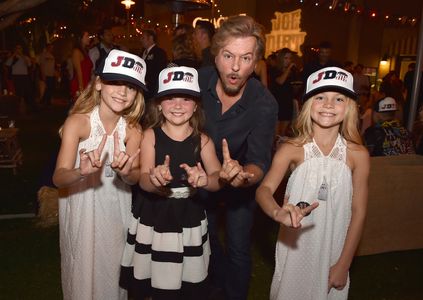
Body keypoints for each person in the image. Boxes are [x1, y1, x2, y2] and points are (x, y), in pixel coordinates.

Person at [256, 66, 370, 300]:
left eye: (338, 98)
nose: (329, 104)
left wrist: (344, 263)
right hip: (295, 246)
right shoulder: (291, 149)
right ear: (308, 105)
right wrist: (277, 212)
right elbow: (264, 190)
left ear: (349, 107)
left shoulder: (358, 155)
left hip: (335, 248)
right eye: (320, 97)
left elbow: (359, 211)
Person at [120, 66, 223, 299]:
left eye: (186, 99)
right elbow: (144, 180)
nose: (178, 105)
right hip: (154, 216)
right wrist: (155, 181)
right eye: (170, 98)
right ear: (158, 104)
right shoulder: (150, 135)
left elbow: (218, 179)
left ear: (196, 105)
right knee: (150, 280)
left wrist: (207, 180)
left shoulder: (203, 140)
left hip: (190, 217)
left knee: (189, 282)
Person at [52, 49, 147, 300]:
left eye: (130, 87)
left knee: (114, 270)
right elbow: (58, 177)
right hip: (82, 210)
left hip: (116, 212)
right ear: (98, 83)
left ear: (136, 94)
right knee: (82, 270)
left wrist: (127, 173)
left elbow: (134, 177)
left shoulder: (133, 131)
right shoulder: (78, 123)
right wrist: (80, 172)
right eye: (115, 82)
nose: (122, 92)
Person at [198, 15, 278, 300]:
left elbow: (260, 161)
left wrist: (245, 175)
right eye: (228, 55)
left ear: (256, 63)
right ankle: (216, 284)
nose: (235, 67)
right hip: (202, 176)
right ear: (215, 55)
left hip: (241, 184)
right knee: (201, 237)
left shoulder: (264, 104)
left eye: (245, 58)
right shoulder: (197, 82)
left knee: (238, 246)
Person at [268, 48, 299, 138]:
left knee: (283, 133)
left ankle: (281, 150)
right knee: (276, 135)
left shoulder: (292, 72)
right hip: (277, 103)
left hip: (287, 103)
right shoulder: (274, 70)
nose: (288, 61)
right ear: (281, 58)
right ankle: (275, 150)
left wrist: (296, 88)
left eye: (290, 58)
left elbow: (292, 88)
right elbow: (280, 81)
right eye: (286, 58)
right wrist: (289, 68)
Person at [5, 44, 37, 112]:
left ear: (21, 49)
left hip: (24, 76)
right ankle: (17, 107)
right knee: (17, 92)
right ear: (15, 49)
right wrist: (14, 55)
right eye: (17, 48)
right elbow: (7, 64)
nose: (18, 50)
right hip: (16, 76)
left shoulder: (25, 57)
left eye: (19, 48)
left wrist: (21, 55)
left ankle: (29, 106)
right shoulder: (12, 57)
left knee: (27, 91)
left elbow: (28, 64)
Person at [141, 29, 168, 100]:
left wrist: (148, 82)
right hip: (143, 91)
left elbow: (160, 72)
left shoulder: (159, 53)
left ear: (151, 38)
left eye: (143, 38)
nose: (141, 40)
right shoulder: (142, 53)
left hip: (152, 91)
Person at [70, 30, 93, 100]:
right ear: (80, 38)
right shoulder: (76, 52)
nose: (89, 38)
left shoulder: (85, 51)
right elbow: (79, 72)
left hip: (86, 83)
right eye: (86, 36)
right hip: (80, 84)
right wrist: (81, 88)